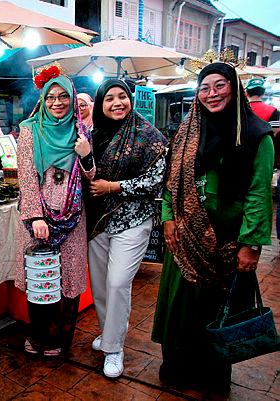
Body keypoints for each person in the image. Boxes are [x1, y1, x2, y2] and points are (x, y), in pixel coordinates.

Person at [152, 63, 274, 391]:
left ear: (234, 89)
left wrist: (251, 244)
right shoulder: (188, 131)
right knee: (179, 307)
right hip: (183, 238)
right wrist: (168, 217)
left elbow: (259, 193)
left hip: (227, 242)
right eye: (205, 88)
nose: (211, 94)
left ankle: (212, 375)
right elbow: (171, 182)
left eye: (219, 86)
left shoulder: (256, 135)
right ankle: (177, 369)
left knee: (215, 309)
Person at [85, 79, 167, 378]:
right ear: (100, 104)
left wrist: (114, 187)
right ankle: (110, 334)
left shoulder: (149, 135)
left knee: (119, 283)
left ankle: (114, 348)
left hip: (133, 219)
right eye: (109, 99)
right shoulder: (93, 135)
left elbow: (157, 180)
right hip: (98, 221)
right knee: (101, 285)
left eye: (122, 97)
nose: (117, 103)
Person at [15, 66, 95, 356]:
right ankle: (38, 335)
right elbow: (25, 174)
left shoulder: (81, 130)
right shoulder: (29, 130)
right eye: (51, 97)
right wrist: (36, 215)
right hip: (37, 216)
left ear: (72, 99)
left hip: (72, 215)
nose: (57, 103)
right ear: (43, 100)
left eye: (63, 96)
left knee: (69, 276)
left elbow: (91, 176)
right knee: (40, 275)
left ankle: (61, 338)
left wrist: (86, 155)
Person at [245, 78, 280, 243]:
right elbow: (275, 133)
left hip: (238, 159)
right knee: (259, 192)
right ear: (263, 93)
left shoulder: (241, 110)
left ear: (246, 93)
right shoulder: (272, 111)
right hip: (263, 159)